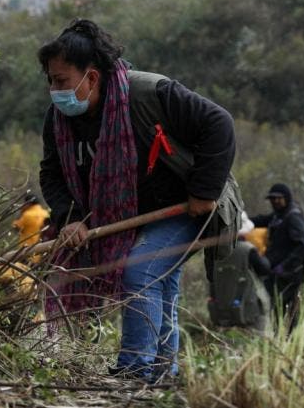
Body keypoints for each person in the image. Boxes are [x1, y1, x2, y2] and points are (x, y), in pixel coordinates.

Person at [37, 19, 235, 381]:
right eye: (50, 80)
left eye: (61, 81)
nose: (54, 90)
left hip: (187, 205)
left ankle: (136, 368)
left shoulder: (149, 93)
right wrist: (70, 217)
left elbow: (218, 124)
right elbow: (52, 173)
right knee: (160, 280)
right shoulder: (59, 120)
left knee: (140, 271)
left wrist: (204, 192)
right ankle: (162, 370)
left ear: (91, 77)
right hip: (136, 215)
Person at [250, 183, 304, 325]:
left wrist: (285, 266)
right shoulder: (278, 215)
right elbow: (260, 220)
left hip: (288, 274)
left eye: (278, 198)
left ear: (287, 198)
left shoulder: (293, 217)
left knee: (285, 309)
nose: (275, 201)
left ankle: (289, 336)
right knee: (274, 306)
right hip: (275, 272)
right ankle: (277, 334)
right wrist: (242, 220)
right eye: (272, 198)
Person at [207, 212, 271, 332]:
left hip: (222, 310)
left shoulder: (215, 253)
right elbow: (265, 269)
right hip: (249, 308)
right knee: (257, 338)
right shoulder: (247, 249)